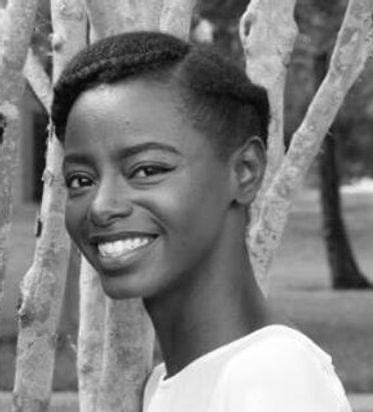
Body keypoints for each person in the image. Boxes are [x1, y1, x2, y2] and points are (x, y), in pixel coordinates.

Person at [52, 31, 352, 412]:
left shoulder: (269, 375)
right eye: (81, 180)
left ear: (245, 171)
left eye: (147, 170)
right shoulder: (170, 383)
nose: (101, 206)